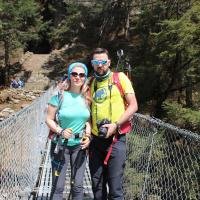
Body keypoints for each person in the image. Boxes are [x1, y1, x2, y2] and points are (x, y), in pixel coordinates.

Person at [89, 48, 138, 200]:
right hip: (95, 141)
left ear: (109, 62)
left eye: (103, 62)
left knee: (115, 189)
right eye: (96, 62)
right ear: (92, 64)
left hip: (116, 139)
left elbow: (133, 105)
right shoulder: (91, 82)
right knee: (97, 188)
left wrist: (115, 125)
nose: (100, 65)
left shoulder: (120, 78)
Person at [46, 62, 92, 200]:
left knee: (78, 186)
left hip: (80, 146)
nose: (78, 77)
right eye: (74, 74)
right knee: (58, 186)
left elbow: (88, 121)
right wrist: (60, 131)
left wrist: (88, 136)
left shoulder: (87, 98)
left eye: (81, 75)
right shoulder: (59, 97)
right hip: (60, 146)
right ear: (69, 75)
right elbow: (48, 119)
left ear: (85, 77)